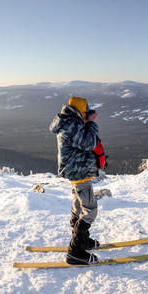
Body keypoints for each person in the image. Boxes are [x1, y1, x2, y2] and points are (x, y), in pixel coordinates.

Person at [49, 96, 102, 264]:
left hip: (77, 171)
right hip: (79, 172)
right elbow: (89, 143)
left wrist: (86, 121)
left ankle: (82, 240)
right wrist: (92, 122)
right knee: (90, 209)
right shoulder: (71, 126)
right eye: (85, 111)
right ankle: (75, 251)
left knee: (79, 207)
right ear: (80, 110)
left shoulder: (70, 122)